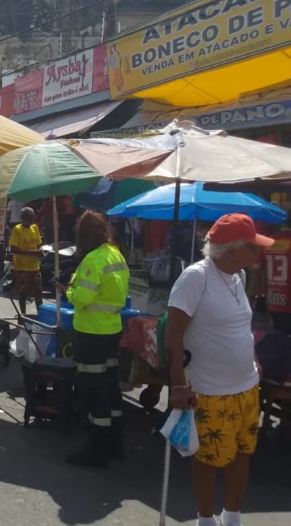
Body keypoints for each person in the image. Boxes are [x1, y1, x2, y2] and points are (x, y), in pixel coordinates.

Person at [165, 214, 268, 526]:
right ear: (232, 250)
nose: (258, 254)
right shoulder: (196, 277)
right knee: (209, 459)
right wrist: (178, 385)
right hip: (210, 390)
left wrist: (253, 359)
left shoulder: (239, 277)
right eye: (253, 248)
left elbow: (239, 325)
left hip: (246, 386)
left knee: (242, 453)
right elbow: (173, 335)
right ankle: (206, 519)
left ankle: (232, 516)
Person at [55, 210, 129, 468]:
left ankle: (97, 448)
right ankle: (115, 441)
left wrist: (68, 290)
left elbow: (83, 298)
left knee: (92, 391)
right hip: (112, 330)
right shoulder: (115, 253)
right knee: (110, 386)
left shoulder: (93, 260)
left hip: (92, 334)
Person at [9, 207, 44, 313]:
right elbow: (14, 248)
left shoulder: (35, 228)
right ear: (23, 218)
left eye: (33, 216)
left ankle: (41, 314)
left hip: (34, 266)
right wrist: (33, 253)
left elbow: (38, 244)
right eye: (30, 217)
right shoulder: (17, 229)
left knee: (38, 291)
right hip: (22, 267)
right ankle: (23, 315)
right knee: (23, 292)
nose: (33, 218)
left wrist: (40, 251)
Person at [261, 218, 291, 333]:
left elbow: (260, 271)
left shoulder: (269, 241)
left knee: (279, 338)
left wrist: (261, 296)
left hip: (273, 299)